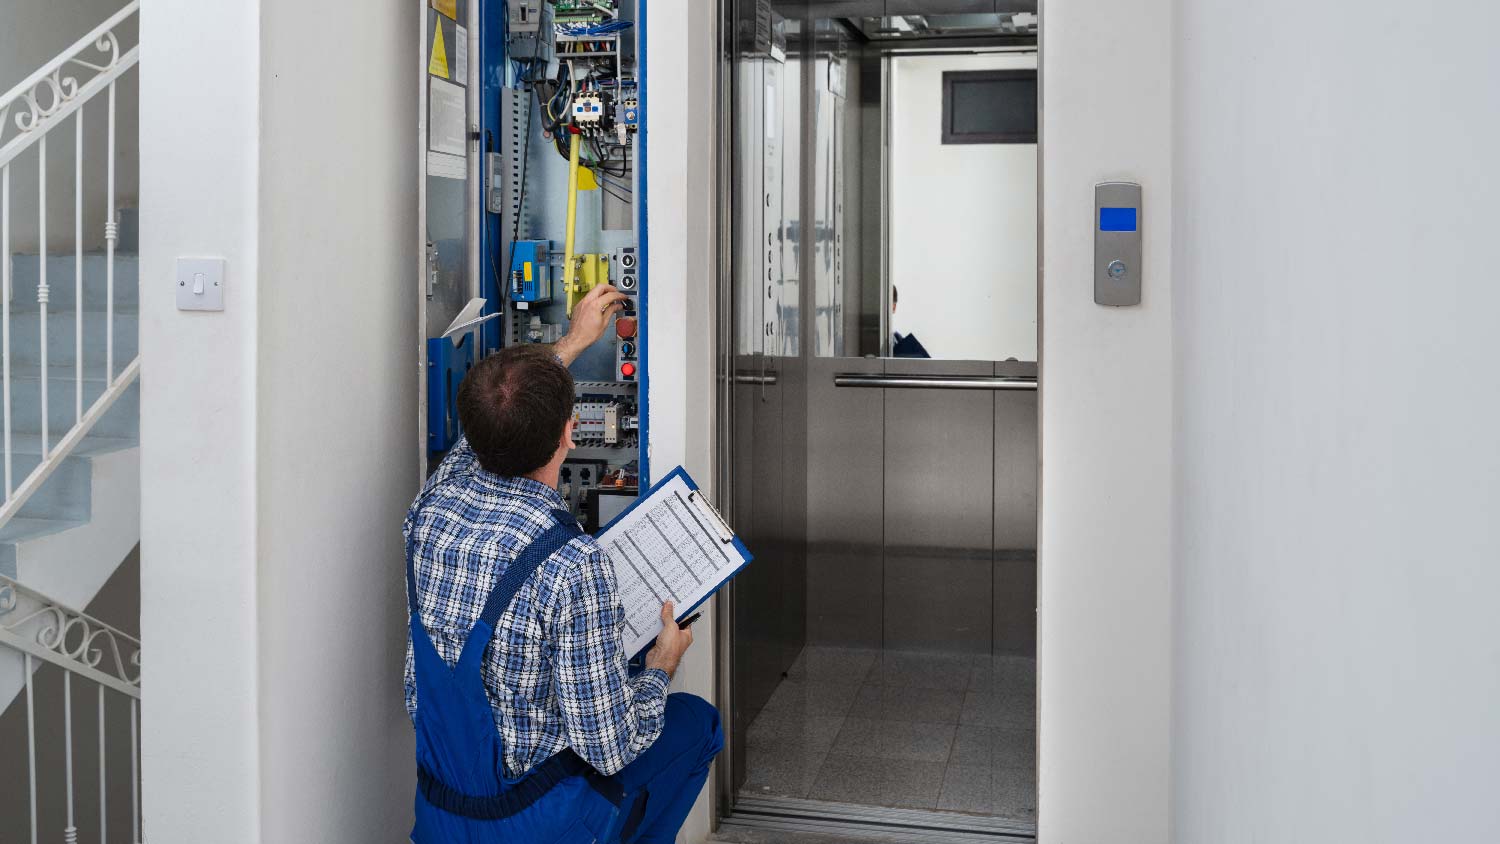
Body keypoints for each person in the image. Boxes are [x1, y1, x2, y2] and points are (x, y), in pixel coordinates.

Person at [404, 283, 723, 843]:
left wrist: (572, 343)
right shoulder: (573, 564)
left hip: (443, 810)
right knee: (696, 724)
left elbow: (487, 425)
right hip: (533, 820)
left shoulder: (431, 505)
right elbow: (609, 744)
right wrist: (661, 668)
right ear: (569, 433)